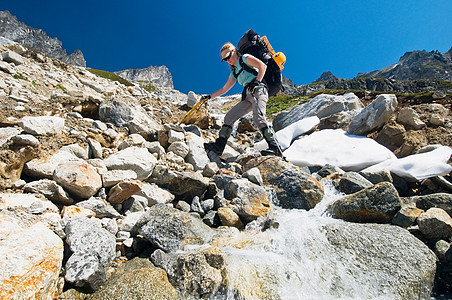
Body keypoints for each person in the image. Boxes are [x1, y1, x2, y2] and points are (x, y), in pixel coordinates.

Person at [201, 42, 282, 157]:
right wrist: (209, 97)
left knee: (258, 117)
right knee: (229, 117)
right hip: (248, 96)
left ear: (234, 51)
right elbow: (224, 89)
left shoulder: (245, 58)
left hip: (259, 90)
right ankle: (219, 147)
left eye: (228, 56)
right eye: (225, 59)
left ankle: (275, 148)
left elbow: (262, 66)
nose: (227, 60)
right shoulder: (234, 72)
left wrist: (257, 81)